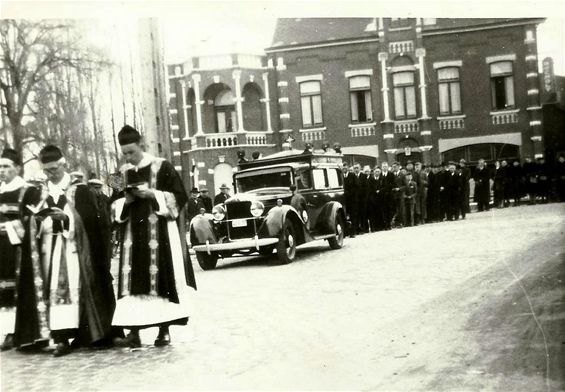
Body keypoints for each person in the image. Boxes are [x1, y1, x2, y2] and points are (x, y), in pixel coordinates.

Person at [14, 145, 115, 356]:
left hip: (73, 251)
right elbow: (31, 220)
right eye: (47, 170)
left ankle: (80, 333)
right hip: (48, 250)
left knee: (75, 291)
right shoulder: (40, 192)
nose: (51, 174)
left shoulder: (80, 190)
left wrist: (68, 220)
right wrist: (37, 220)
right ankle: (59, 336)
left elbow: (91, 224)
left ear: (63, 164)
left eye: (54, 169)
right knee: (52, 292)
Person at [110, 125, 196, 348]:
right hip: (132, 235)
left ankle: (164, 330)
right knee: (133, 282)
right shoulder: (119, 173)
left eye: (132, 152)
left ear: (142, 145)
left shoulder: (163, 166)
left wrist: (153, 194)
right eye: (125, 153)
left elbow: (180, 196)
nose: (129, 157)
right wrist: (125, 202)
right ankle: (134, 333)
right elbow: (109, 203)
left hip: (158, 234)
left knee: (160, 279)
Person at [0, 149, 28, 351]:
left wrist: (7, 227)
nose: (2, 170)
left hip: (15, 246)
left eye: (6, 166)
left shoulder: (25, 190)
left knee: (13, 288)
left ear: (17, 168)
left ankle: (15, 331)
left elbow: (30, 220)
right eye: (0, 167)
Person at [380, 162, 394, 230]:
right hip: (382, 196)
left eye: (386, 166)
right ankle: (386, 225)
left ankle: (389, 224)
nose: (384, 168)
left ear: (388, 167)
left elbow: (392, 184)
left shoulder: (391, 174)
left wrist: (386, 189)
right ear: (381, 167)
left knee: (390, 210)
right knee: (384, 210)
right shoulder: (380, 175)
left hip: (389, 195)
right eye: (383, 166)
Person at [391, 162, 406, 228]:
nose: (394, 168)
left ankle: (401, 223)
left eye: (395, 167)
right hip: (394, 195)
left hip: (400, 195)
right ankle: (396, 223)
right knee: (395, 209)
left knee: (401, 209)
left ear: (398, 167)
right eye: (393, 167)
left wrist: (399, 189)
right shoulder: (392, 175)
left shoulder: (402, 175)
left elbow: (406, 185)